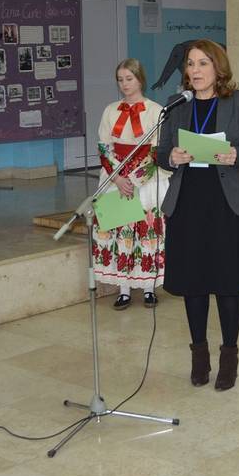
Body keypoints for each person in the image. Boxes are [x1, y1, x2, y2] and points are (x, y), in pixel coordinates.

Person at [157, 39, 239, 391]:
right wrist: (171, 157)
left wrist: (236, 155)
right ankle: (199, 356)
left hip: (226, 205)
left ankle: (229, 357)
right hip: (188, 203)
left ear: (218, 68)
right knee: (194, 282)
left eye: (203, 63)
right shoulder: (176, 105)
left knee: (227, 282)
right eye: (190, 64)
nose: (195, 70)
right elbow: (160, 153)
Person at [93, 58, 169, 310]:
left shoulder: (156, 110)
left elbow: (157, 149)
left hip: (145, 179)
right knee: (120, 232)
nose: (125, 84)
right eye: (120, 80)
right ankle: (123, 289)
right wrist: (117, 177)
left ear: (140, 79)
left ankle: (149, 288)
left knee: (147, 234)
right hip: (116, 178)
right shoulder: (110, 110)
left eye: (129, 78)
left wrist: (135, 179)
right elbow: (104, 146)